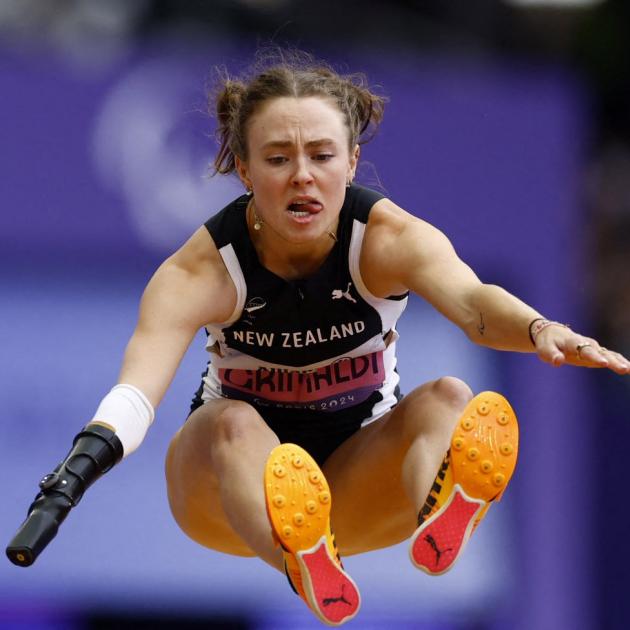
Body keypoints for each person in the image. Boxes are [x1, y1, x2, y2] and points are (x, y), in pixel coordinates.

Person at [7, 49, 630, 627]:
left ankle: (440, 516)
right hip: (228, 498)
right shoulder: (202, 269)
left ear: (352, 162)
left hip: (356, 487)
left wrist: (543, 329)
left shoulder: (388, 239)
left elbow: (473, 305)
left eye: (323, 156)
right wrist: (75, 472)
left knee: (449, 395)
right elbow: (137, 392)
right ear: (243, 168)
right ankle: (298, 559)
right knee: (232, 423)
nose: (302, 176)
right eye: (278, 158)